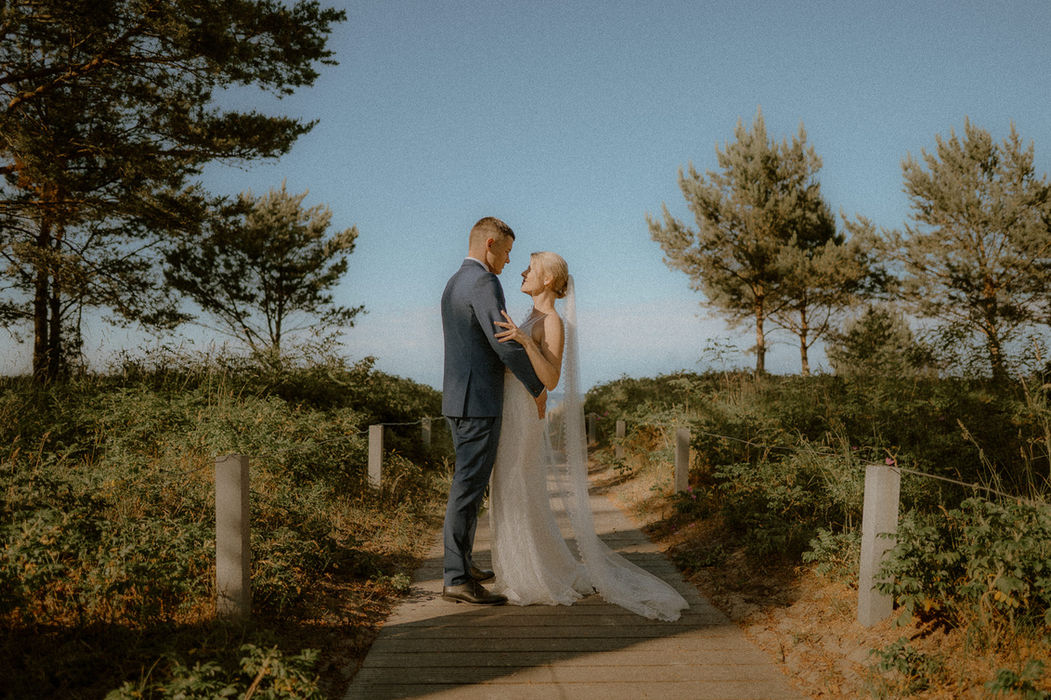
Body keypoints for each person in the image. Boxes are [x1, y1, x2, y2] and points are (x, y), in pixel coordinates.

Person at [489, 251, 689, 621]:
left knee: (521, 486)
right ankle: (517, 569)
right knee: (510, 487)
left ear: (548, 279)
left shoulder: (552, 322)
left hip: (523, 414)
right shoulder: (531, 315)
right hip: (514, 409)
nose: (522, 272)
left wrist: (525, 341)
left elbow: (550, 378)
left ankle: (532, 577)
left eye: (530, 269)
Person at [440, 216, 546, 605]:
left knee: (469, 486)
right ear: (489, 244)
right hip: (479, 403)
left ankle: (463, 564)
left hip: (458, 399)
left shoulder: (455, 281)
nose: (506, 261)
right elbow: (502, 342)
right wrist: (536, 386)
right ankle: (455, 577)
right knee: (467, 489)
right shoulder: (485, 282)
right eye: (506, 251)